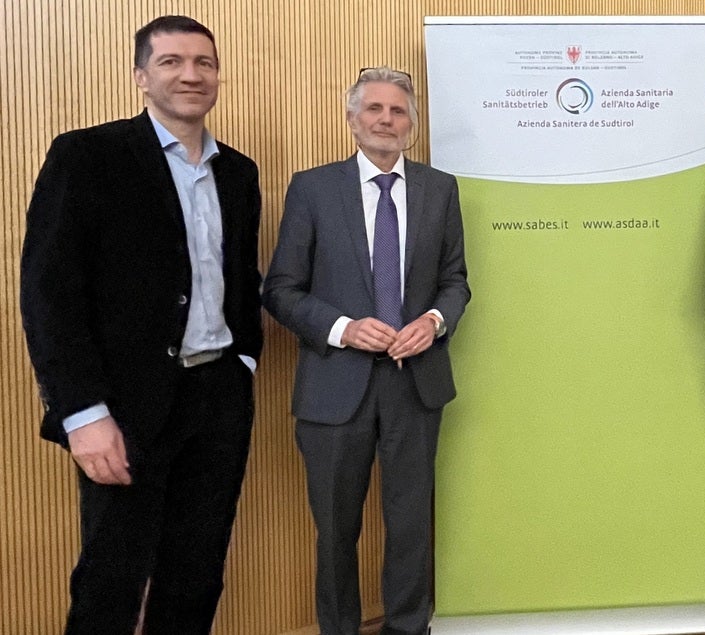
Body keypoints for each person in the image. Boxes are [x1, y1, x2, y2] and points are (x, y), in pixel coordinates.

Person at [19, 15, 262, 634]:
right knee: (112, 578)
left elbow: (239, 277)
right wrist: (81, 412)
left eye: (204, 62)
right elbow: (50, 293)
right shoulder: (88, 156)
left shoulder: (238, 172)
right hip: (124, 406)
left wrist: (244, 363)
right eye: (171, 61)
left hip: (217, 399)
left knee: (197, 573)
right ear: (140, 76)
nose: (191, 75)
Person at [262, 66, 469, 635]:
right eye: (373, 109)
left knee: (411, 525)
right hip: (335, 385)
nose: (385, 119)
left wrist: (433, 322)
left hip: (415, 382)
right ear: (352, 120)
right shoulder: (312, 188)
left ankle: (408, 627)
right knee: (335, 529)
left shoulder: (439, 189)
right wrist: (344, 328)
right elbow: (280, 289)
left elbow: (455, 281)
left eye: (398, 111)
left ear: (412, 125)